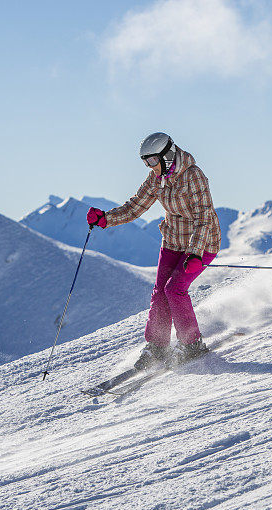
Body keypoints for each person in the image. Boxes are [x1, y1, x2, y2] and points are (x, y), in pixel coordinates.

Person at [86, 132, 221, 370]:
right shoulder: (155, 180)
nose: (150, 166)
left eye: (152, 161)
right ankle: (158, 347)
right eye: (145, 162)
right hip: (172, 240)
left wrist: (196, 253)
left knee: (175, 289)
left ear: (167, 156)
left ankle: (192, 344)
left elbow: (204, 217)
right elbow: (135, 207)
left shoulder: (193, 176)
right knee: (160, 292)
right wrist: (106, 219)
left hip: (201, 243)